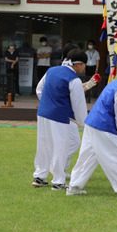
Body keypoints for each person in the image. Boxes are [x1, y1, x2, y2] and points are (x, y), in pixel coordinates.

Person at [67, 62, 117, 200]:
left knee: (88, 157)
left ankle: (74, 187)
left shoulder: (116, 84)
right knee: (116, 156)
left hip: (92, 123)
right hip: (102, 125)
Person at [32, 49, 88, 190]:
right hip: (59, 116)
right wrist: (84, 123)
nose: (84, 68)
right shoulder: (74, 79)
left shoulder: (51, 71)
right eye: (84, 65)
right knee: (60, 147)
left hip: (43, 113)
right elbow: (79, 106)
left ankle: (39, 176)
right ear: (78, 64)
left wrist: (48, 103)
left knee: (43, 145)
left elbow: (39, 89)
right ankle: (58, 181)